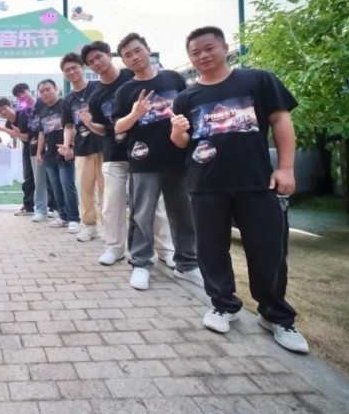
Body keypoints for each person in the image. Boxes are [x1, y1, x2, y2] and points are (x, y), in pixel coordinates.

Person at [171, 26, 308, 353]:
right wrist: (176, 131)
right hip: (205, 185)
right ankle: (222, 304)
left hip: (257, 181)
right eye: (195, 52)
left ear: (224, 47)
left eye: (209, 48)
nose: (203, 56)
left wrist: (286, 168)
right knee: (211, 249)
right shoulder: (186, 97)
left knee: (268, 250)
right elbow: (182, 143)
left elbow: (281, 121)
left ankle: (275, 315)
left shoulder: (258, 80)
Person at [113, 32, 202, 291]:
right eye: (127, 55)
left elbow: (190, 109)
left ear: (148, 49)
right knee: (142, 214)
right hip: (143, 161)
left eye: (137, 50)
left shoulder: (173, 78)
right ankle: (140, 263)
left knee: (184, 213)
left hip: (178, 158)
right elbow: (118, 126)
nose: (134, 57)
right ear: (124, 61)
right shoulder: (125, 90)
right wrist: (135, 114)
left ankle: (187, 264)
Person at [80, 41, 176, 267]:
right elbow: (105, 128)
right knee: (111, 201)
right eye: (91, 62)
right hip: (115, 152)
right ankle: (114, 247)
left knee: (155, 204)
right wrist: (90, 124)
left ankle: (165, 249)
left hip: (146, 150)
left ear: (110, 55)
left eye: (99, 57)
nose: (97, 63)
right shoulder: (96, 96)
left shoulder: (132, 76)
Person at [59, 53, 104, 239]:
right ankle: (88, 226)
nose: (71, 72)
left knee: (107, 190)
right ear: (64, 74)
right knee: (85, 190)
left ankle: (109, 227)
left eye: (74, 68)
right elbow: (69, 126)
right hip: (82, 148)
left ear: (82, 68)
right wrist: (67, 146)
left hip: (104, 145)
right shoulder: (68, 100)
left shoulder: (98, 87)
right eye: (67, 70)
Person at [36, 78, 80, 233]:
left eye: (48, 89)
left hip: (64, 152)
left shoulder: (65, 105)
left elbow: (72, 126)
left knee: (68, 186)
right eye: (42, 91)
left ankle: (74, 218)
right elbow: (42, 133)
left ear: (56, 89)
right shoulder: (42, 112)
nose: (45, 93)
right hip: (50, 156)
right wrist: (39, 152)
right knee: (56, 188)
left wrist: (70, 146)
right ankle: (62, 216)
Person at [13, 83, 59, 222]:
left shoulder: (43, 104)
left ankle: (58, 209)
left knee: (56, 180)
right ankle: (40, 210)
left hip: (53, 147)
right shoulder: (23, 113)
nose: (22, 96)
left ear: (29, 91)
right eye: (18, 96)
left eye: (23, 92)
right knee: (39, 181)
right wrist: (16, 133)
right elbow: (27, 136)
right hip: (34, 149)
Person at [0, 97, 34, 216]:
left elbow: (26, 137)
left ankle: (53, 206)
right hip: (27, 148)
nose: (3, 112)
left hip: (37, 146)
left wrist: (3, 129)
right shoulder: (8, 123)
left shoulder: (23, 114)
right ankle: (28, 206)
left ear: (10, 106)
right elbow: (20, 138)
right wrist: (7, 129)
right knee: (28, 177)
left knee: (46, 178)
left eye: (4, 109)